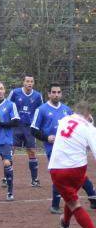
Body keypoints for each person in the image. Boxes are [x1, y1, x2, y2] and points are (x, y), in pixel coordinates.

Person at [31, 84, 96, 213]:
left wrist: (88, 121)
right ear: (48, 94)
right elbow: (33, 130)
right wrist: (46, 137)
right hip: (53, 150)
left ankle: (93, 199)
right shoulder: (42, 109)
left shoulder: (66, 110)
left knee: (78, 175)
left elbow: (77, 125)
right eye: (53, 92)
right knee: (60, 176)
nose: (56, 94)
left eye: (58, 92)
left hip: (70, 148)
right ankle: (55, 205)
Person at [48, 101, 96, 228]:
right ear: (89, 114)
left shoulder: (64, 120)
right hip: (77, 169)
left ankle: (65, 221)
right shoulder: (89, 128)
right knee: (74, 202)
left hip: (57, 168)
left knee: (72, 199)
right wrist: (91, 125)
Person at [7, 75, 43, 187]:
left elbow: (41, 111)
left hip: (29, 128)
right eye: (27, 81)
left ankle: (34, 179)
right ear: (23, 82)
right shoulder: (15, 93)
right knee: (10, 151)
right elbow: (7, 106)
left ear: (33, 83)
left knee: (32, 151)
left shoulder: (38, 96)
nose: (29, 83)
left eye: (31, 81)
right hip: (16, 126)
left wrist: (38, 126)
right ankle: (6, 177)